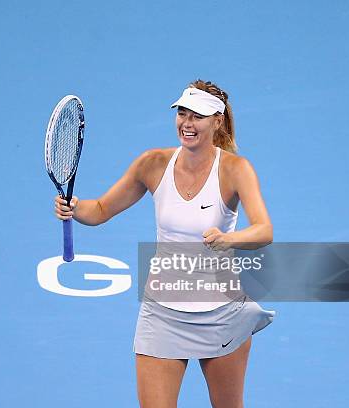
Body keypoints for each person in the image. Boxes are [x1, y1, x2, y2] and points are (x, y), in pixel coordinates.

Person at [54, 79, 275, 408]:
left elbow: (263, 230)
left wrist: (229, 239)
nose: (187, 123)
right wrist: (74, 207)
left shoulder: (235, 170)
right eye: (182, 113)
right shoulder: (153, 164)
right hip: (162, 313)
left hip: (222, 312)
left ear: (218, 121)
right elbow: (100, 210)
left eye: (197, 116)